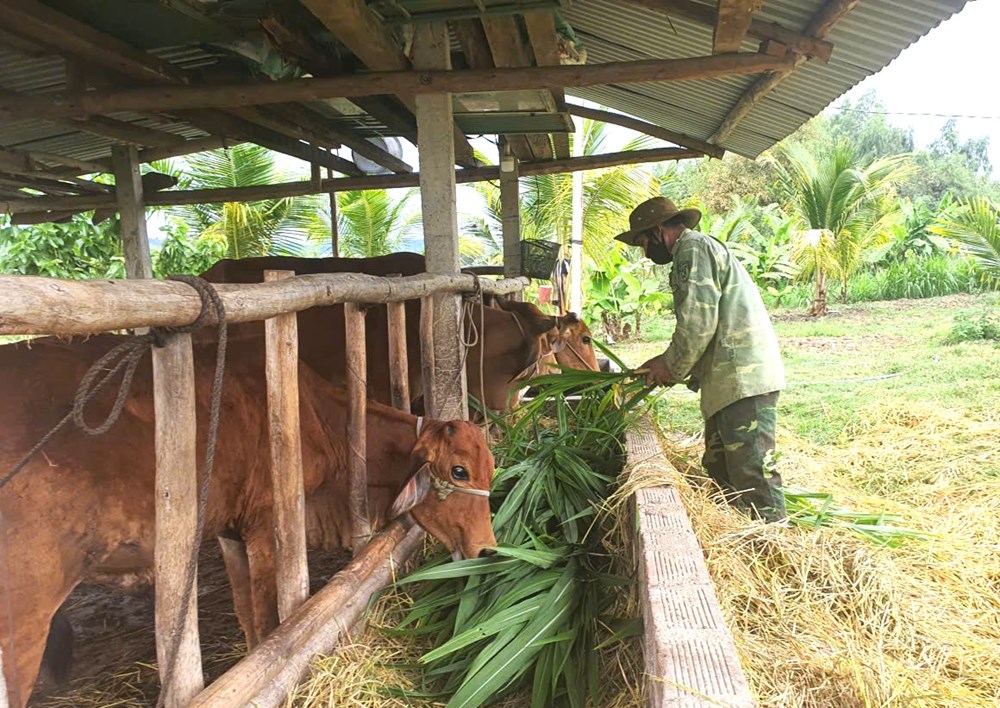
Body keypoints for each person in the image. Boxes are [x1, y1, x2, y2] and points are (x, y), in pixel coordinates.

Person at [615, 197, 787, 523]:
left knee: (752, 472)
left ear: (657, 231)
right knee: (720, 465)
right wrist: (662, 360)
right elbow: (700, 325)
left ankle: (774, 543)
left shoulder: (690, 250)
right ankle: (742, 534)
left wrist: (670, 366)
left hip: (742, 376)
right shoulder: (693, 250)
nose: (645, 253)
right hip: (727, 378)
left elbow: (697, 323)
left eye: (642, 243)